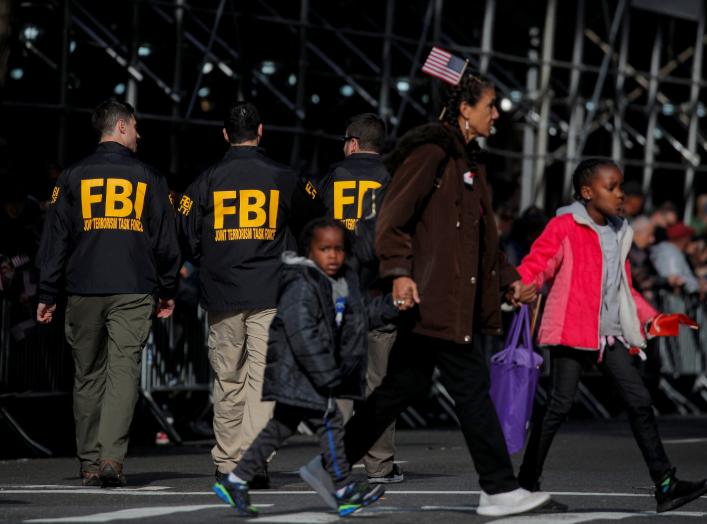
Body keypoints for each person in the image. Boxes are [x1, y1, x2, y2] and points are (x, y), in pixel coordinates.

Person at [303, 72, 554, 518]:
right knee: (472, 389)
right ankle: (498, 488)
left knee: (402, 385)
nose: (496, 114)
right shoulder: (431, 152)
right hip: (437, 298)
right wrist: (398, 272)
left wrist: (509, 280)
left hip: (446, 297)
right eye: (490, 106)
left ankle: (328, 467)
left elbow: (481, 240)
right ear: (465, 109)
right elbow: (391, 219)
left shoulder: (467, 162)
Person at [515, 158, 707, 513]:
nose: (620, 195)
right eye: (611, 187)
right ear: (587, 193)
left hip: (609, 336)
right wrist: (524, 282)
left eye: (621, 186)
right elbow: (539, 261)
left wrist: (655, 317)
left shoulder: (620, 231)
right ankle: (525, 484)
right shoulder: (564, 226)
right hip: (572, 331)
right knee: (559, 405)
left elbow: (624, 289)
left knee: (639, 401)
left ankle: (665, 484)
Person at [176, 101, 324, 488]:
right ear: (261, 131)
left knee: (228, 379)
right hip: (269, 290)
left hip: (221, 292)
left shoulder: (205, 180)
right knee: (262, 380)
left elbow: (184, 231)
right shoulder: (283, 176)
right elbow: (317, 216)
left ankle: (228, 461)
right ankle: (252, 461)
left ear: (225, 135)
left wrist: (208, 256)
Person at [36, 99, 181, 487]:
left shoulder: (71, 176)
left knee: (87, 375)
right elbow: (166, 241)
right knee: (123, 372)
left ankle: (88, 460)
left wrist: (47, 291)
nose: (138, 134)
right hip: (133, 287)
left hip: (83, 287)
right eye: (135, 126)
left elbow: (54, 239)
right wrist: (168, 288)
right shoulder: (149, 177)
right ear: (120, 127)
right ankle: (112, 459)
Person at [212, 218, 395, 516]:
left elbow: (359, 316)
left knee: (279, 428)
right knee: (331, 422)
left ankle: (235, 479)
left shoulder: (338, 281)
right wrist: (327, 375)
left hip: (309, 372)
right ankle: (344, 487)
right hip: (301, 372)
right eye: (324, 249)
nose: (333, 256)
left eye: (338, 249)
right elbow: (301, 333)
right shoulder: (301, 282)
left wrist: (394, 306)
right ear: (309, 251)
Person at [317, 113, 402, 484]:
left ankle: (335, 459)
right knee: (379, 383)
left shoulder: (330, 178)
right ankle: (379, 463)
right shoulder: (393, 179)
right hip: (377, 292)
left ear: (352, 143)